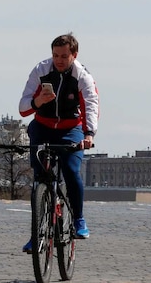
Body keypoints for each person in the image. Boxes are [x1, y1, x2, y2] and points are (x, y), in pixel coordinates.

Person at [18, 33, 99, 252]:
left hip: (70, 129)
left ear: (74, 55)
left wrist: (89, 134)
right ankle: (37, 235)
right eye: (55, 55)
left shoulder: (82, 76)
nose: (59, 60)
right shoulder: (41, 70)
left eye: (64, 56)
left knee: (72, 171)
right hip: (42, 128)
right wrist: (38, 101)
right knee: (39, 179)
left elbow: (91, 105)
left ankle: (79, 219)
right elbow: (23, 107)